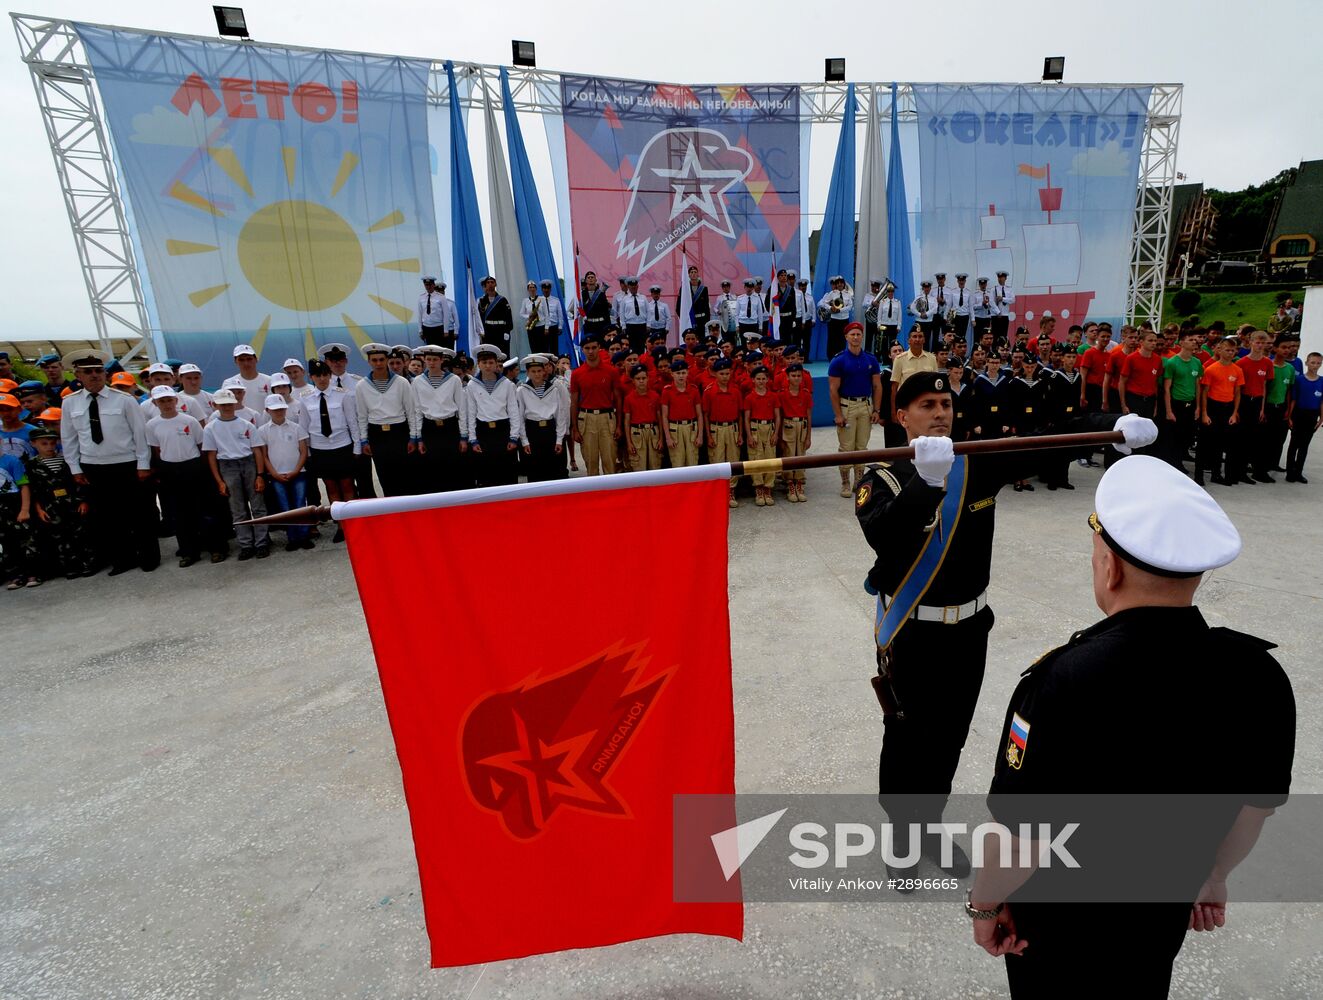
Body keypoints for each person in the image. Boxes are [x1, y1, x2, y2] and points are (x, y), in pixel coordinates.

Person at [970, 455, 1294, 999]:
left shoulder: (1061, 679)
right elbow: (1253, 808)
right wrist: (1212, 876)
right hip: (1159, 914)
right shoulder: (1258, 672)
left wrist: (982, 904)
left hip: (1059, 926)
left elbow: (1022, 840)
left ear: (1110, 568)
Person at [854, 371, 1156, 885]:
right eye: (927, 405)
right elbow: (886, 535)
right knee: (907, 738)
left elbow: (1052, 437)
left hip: (970, 629)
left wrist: (1113, 427)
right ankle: (902, 836)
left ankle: (929, 828)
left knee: (950, 735)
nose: (941, 413)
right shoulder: (879, 477)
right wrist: (926, 485)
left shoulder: (977, 463)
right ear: (901, 417)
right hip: (914, 634)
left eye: (946, 403)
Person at [58, 349, 158, 576]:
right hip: (93, 467)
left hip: (126, 464)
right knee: (108, 517)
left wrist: (143, 464)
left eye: (98, 371)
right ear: (78, 376)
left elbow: (140, 434)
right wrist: (75, 468)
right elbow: (69, 438)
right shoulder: (70, 403)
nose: (94, 375)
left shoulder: (124, 400)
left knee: (140, 514)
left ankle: (149, 557)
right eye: (88, 372)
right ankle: (123, 559)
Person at [146, 385, 222, 567]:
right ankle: (189, 552)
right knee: (180, 514)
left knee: (205, 510)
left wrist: (202, 470)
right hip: (170, 470)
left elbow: (201, 445)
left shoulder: (189, 420)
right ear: (155, 403)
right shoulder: (152, 425)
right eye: (161, 401)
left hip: (193, 467)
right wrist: (161, 470)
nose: (166, 404)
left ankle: (216, 548)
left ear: (175, 401)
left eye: (169, 400)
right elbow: (156, 450)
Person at [203, 387, 268, 561]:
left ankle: (261, 543)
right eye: (222, 404)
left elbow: (257, 450)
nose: (226, 407)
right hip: (227, 466)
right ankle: (246, 545)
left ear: (235, 403)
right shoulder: (210, 428)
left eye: (229, 404)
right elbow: (211, 455)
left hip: (249, 463)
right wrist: (219, 481)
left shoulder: (246, 424)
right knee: (237, 509)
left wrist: (260, 475)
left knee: (258, 506)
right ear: (215, 405)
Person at [23, 424, 95, 579]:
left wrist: (83, 501)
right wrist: (39, 509)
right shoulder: (31, 465)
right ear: (33, 444)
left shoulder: (67, 460)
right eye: (44, 443)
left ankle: (87, 563)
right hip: (51, 506)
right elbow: (33, 490)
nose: (49, 447)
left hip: (72, 504)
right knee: (60, 538)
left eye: (52, 442)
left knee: (80, 535)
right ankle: (70, 567)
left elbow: (79, 482)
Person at [302, 360, 358, 542]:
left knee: (348, 486)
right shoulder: (305, 398)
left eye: (325, 374)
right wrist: (308, 453)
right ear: (311, 377)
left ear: (330, 375)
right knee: (331, 488)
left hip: (342, 446)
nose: (322, 378)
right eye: (318, 375)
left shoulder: (343, 395)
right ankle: (341, 527)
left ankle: (353, 525)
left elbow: (352, 422)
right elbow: (304, 428)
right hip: (320, 449)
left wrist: (356, 446)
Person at [354, 342, 420, 497]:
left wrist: (413, 437)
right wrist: (364, 440)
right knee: (385, 476)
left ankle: (408, 511)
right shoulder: (362, 386)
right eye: (374, 360)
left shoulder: (401, 382)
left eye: (381, 360)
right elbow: (362, 415)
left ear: (386, 360)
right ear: (369, 361)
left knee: (405, 475)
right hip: (377, 435)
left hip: (399, 432)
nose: (378, 363)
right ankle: (392, 513)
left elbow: (411, 411)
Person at [828, 322, 883, 499]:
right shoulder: (839, 360)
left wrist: (877, 409)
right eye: (852, 334)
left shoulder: (870, 359)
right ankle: (845, 481)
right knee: (846, 447)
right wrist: (838, 414)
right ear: (846, 337)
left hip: (865, 406)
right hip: (847, 406)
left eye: (859, 334)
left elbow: (877, 385)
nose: (856, 337)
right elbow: (833, 390)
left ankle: (859, 481)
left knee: (862, 447)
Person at [255, 394, 312, 551]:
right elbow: (264, 455)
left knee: (300, 504)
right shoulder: (263, 431)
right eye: (275, 410)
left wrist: (296, 470)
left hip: (298, 473)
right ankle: (292, 538)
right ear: (267, 410)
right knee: (285, 507)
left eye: (281, 409)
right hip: (277, 475)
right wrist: (273, 473)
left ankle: (304, 536)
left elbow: (303, 452)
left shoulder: (296, 427)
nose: (279, 412)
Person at [410, 345, 469, 493]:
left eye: (435, 359)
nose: (431, 362)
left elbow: (461, 409)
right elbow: (417, 410)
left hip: (450, 427)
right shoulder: (417, 381)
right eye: (428, 359)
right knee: (433, 469)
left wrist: (463, 436)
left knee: (452, 467)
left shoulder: (454, 380)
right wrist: (419, 437)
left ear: (442, 360)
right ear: (424, 360)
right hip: (430, 428)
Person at [465, 344, 522, 488]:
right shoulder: (472, 385)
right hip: (483, 432)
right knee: (486, 473)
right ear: (478, 364)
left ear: (497, 364)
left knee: (506, 473)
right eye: (484, 362)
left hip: (503, 431)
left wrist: (514, 437)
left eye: (491, 362)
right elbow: (471, 413)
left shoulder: (507, 384)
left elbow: (514, 412)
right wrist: (473, 439)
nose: (488, 366)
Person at [569, 336, 620, 477]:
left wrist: (619, 425)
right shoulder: (577, 374)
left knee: (610, 462)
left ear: (599, 348)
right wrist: (575, 428)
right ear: (582, 350)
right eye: (587, 348)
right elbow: (574, 403)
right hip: (586, 418)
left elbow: (618, 399)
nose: (590, 351)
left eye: (593, 347)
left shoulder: (611, 372)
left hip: (607, 418)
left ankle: (612, 496)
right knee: (590, 463)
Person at [1197, 337, 1243, 487]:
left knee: (1220, 444)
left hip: (1227, 407)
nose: (1230, 353)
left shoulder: (1237, 370)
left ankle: (1216, 474)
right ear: (1220, 350)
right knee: (1204, 443)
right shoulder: (1211, 369)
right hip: (1212, 406)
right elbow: (1204, 392)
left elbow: (1237, 392)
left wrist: (1234, 412)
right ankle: (1199, 475)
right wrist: (1204, 413)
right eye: (1227, 350)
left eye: (1232, 350)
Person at [1161, 329, 1204, 473]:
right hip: (1176, 404)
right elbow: (1167, 388)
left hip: (1190, 404)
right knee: (1174, 436)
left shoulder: (1197, 362)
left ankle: (1179, 461)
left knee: (1186, 436)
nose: (1195, 342)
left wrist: (1198, 407)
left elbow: (1197, 385)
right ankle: (1173, 464)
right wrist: (1168, 410)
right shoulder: (1172, 362)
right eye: (1191, 340)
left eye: (1195, 340)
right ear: (1181, 343)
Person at [703, 358, 743, 508]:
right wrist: (708, 435)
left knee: (733, 460)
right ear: (715, 374)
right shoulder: (709, 392)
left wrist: (740, 434)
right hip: (716, 429)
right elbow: (706, 415)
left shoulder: (735, 391)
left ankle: (731, 491)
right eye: (722, 373)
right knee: (717, 461)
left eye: (727, 373)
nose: (725, 376)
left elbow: (740, 414)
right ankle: (719, 492)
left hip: (732, 428)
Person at [1236, 331, 1275, 483]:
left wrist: (1262, 408)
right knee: (1241, 438)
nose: (1259, 346)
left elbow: (1265, 385)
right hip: (1244, 400)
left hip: (1257, 401)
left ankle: (1248, 470)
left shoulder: (1267, 363)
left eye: (1262, 343)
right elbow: (1238, 389)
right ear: (1250, 342)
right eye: (1257, 342)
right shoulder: (1242, 363)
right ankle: (1238, 471)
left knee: (1253, 438)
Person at [0, 446, 39, 590]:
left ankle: (32, 573)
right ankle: (14, 575)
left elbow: (24, 486)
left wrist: (24, 509)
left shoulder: (12, 461)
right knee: (6, 543)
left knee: (26, 540)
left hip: (14, 502)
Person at [741, 364, 781, 506]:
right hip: (755, 428)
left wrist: (776, 433)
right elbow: (746, 418)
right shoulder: (749, 397)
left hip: (769, 428)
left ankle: (768, 488)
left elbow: (777, 416)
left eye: (764, 378)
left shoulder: (773, 396)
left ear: (768, 380)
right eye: (758, 379)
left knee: (770, 458)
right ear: (753, 380)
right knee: (756, 459)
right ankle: (758, 488)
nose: (761, 381)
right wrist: (749, 436)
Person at [778, 362, 812, 502]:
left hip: (802, 425)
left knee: (801, 454)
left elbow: (809, 416)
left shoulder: (805, 394)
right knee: (789, 453)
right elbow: (779, 416)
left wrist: (809, 436)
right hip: (788, 425)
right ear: (787, 377)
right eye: (793, 375)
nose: (796, 378)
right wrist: (779, 435)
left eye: (799, 375)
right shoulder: (782, 394)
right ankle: (790, 484)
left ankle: (799, 483)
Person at [1286, 351, 1322, 483]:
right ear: (1307, 363)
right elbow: (1293, 399)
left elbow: (1322, 402)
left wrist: (1321, 419)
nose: (1315, 365)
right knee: (1294, 444)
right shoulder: (1299, 380)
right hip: (1298, 414)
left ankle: (1298, 472)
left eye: (1318, 363)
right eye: (1313, 362)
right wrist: (1289, 416)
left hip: (1312, 415)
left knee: (1304, 445)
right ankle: (1290, 472)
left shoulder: (1322, 381)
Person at [661, 360, 703, 469]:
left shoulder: (694, 390)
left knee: (692, 461)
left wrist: (700, 435)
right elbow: (664, 416)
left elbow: (699, 415)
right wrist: (668, 438)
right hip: (675, 429)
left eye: (683, 373)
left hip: (691, 429)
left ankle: (693, 486)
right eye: (678, 373)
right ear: (672, 374)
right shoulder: (667, 391)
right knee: (677, 462)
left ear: (688, 373)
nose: (681, 376)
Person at [621, 364, 663, 473]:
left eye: (643, 378)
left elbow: (660, 419)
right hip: (637, 433)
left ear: (648, 378)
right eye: (638, 379)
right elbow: (627, 421)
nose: (641, 381)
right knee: (639, 466)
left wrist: (661, 439)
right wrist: (629, 442)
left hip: (653, 432)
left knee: (655, 466)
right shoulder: (629, 398)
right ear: (633, 381)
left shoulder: (655, 396)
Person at [477, 276, 514, 356]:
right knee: (490, 354)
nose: (490, 284)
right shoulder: (481, 301)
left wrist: (507, 331)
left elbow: (508, 317)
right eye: (488, 282)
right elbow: (479, 318)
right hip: (488, 332)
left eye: (492, 282)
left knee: (503, 354)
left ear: (495, 284)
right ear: (485, 285)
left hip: (500, 331)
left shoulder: (502, 300)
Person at [418, 275, 450, 345]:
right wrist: (420, 330)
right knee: (430, 349)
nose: (428, 287)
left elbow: (446, 314)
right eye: (426, 285)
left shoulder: (441, 297)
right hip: (426, 327)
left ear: (434, 285)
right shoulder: (421, 297)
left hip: (438, 327)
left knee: (440, 348)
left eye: (430, 285)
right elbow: (420, 314)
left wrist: (446, 330)